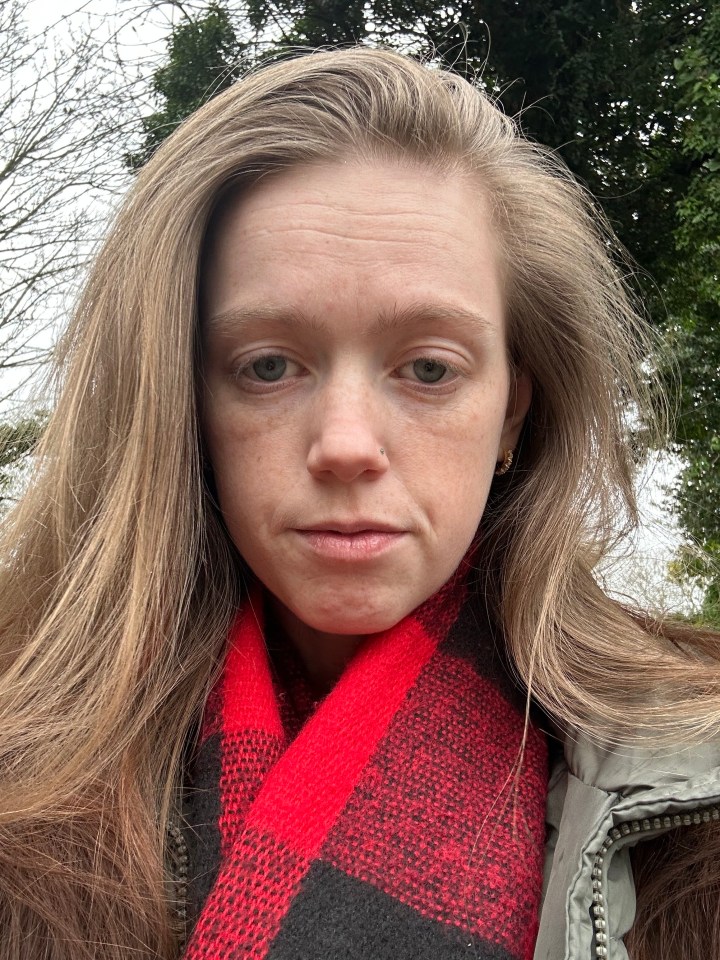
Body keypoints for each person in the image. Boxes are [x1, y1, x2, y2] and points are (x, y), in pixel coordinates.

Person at [0, 46, 718, 960]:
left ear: (514, 410)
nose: (345, 444)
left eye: (427, 368)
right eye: (267, 366)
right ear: (182, 405)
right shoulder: (22, 773)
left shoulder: (696, 788)